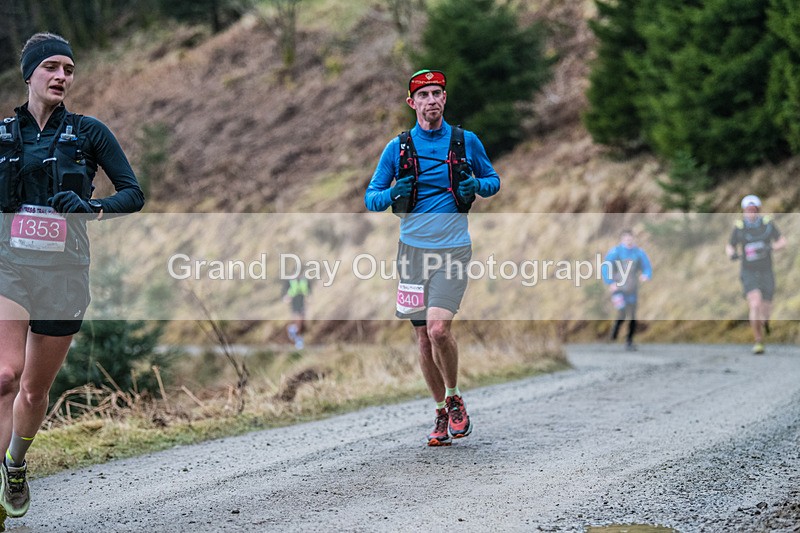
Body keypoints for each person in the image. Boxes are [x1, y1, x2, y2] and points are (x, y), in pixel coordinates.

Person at [0, 33, 144, 519]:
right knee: (4, 376)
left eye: (69, 68)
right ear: (30, 74)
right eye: (52, 67)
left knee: (34, 391)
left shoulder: (88, 132)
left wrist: (91, 208)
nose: (62, 75)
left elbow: (132, 193)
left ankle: (14, 464)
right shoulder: (2, 134)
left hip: (63, 276)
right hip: (9, 267)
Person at [364, 69, 500, 446]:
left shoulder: (465, 141)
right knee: (423, 338)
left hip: (453, 249)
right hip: (411, 254)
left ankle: (455, 398)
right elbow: (371, 197)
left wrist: (478, 185)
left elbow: (493, 180)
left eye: (437, 93)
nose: (431, 100)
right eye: (423, 95)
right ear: (412, 103)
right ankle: (440, 410)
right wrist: (393, 193)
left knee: (439, 329)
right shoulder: (399, 148)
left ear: (445, 99)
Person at [726, 194, 785, 354]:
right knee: (755, 304)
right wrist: (731, 254)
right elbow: (730, 246)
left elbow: (782, 241)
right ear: (744, 211)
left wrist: (771, 248)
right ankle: (758, 341)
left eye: (754, 210)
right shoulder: (739, 227)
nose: (751, 213)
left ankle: (765, 321)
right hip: (748, 270)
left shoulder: (767, 224)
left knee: (766, 308)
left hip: (766, 269)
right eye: (748, 210)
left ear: (758, 210)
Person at [602, 229, 652, 351]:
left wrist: (646, 275)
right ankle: (614, 331)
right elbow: (606, 267)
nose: (628, 241)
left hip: (632, 288)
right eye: (626, 239)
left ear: (633, 239)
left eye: (630, 238)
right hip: (618, 288)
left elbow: (647, 266)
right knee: (622, 311)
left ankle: (629, 341)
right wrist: (610, 282)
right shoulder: (616, 252)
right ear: (622, 239)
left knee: (632, 315)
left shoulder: (638, 253)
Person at [283, 274, 310, 350]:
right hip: (295, 305)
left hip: (302, 304)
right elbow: (286, 296)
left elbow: (307, 293)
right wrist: (287, 297)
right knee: (298, 323)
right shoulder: (291, 282)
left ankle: (294, 334)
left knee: (302, 324)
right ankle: (298, 341)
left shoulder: (304, 281)